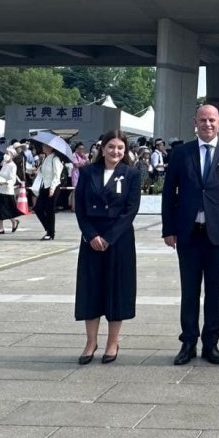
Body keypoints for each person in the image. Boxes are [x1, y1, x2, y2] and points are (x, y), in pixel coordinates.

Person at [162, 105, 219, 366]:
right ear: (195, 122)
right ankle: (188, 341)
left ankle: (211, 343)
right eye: (203, 120)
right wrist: (169, 228)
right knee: (189, 290)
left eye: (212, 120)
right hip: (188, 233)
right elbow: (169, 194)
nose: (207, 124)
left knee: (215, 291)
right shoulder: (181, 153)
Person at [73, 130, 141, 365]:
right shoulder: (87, 172)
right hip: (91, 238)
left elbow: (131, 209)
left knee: (117, 290)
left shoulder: (131, 174)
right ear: (102, 149)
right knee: (91, 289)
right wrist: (91, 235)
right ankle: (91, 342)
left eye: (120, 148)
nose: (115, 152)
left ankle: (113, 341)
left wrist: (109, 237)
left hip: (119, 239)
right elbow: (80, 207)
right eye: (111, 147)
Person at [34, 143, 64, 241]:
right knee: (38, 208)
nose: (42, 147)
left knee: (50, 210)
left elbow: (57, 175)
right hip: (44, 186)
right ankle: (49, 228)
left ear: (51, 147)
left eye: (45, 146)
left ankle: (50, 233)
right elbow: (43, 173)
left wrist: (52, 188)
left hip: (53, 186)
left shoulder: (55, 159)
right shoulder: (45, 158)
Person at [0, 146, 23, 234]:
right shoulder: (4, 164)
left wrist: (5, 182)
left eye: (8, 154)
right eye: (5, 153)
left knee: (7, 209)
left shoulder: (13, 166)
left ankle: (14, 221)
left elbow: (12, 179)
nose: (5, 155)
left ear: (12, 156)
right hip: (0, 189)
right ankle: (1, 228)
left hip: (7, 190)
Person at [69, 142, 89, 210]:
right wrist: (84, 162)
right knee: (75, 191)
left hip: (82, 175)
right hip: (75, 175)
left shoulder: (83, 156)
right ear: (76, 149)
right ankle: (73, 207)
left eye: (83, 149)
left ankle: (80, 206)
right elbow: (76, 165)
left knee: (82, 191)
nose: (82, 150)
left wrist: (86, 158)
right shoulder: (74, 155)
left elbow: (88, 164)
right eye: (80, 149)